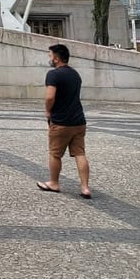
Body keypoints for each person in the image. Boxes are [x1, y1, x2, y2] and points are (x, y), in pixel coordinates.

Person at [37, 43, 92, 199]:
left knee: (55, 154)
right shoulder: (75, 74)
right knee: (80, 153)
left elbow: (50, 96)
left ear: (56, 58)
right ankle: (85, 187)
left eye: (50, 55)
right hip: (79, 121)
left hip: (61, 122)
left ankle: (54, 183)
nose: (49, 58)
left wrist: (48, 111)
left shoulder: (53, 74)